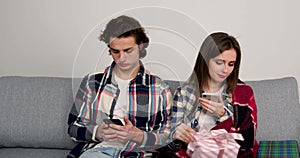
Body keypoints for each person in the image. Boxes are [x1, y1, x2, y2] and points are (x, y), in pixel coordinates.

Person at [67, 15, 173, 158]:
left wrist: (139, 136)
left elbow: (169, 138)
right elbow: (73, 129)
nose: (121, 58)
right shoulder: (91, 83)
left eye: (128, 50)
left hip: (138, 153)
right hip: (99, 150)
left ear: (140, 46)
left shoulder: (159, 89)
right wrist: (97, 132)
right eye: (115, 51)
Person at [170, 32, 258, 157]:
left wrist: (223, 115)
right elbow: (172, 138)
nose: (225, 70)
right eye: (219, 62)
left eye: (231, 64)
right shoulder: (184, 93)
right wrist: (176, 134)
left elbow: (247, 140)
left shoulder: (243, 93)